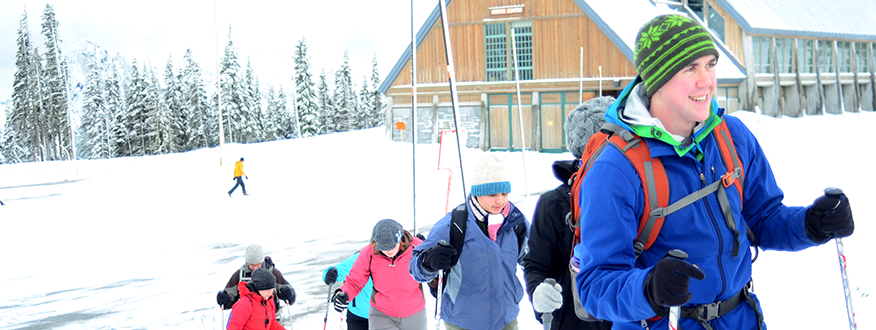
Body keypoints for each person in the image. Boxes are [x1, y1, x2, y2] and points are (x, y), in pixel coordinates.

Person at [572, 14, 855, 330]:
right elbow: (595, 286)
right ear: (658, 81)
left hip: (741, 319)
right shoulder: (617, 168)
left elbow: (762, 218)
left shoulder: (730, 136)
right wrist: (648, 287)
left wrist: (811, 224)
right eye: (690, 68)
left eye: (710, 64)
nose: (706, 80)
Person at [522, 96, 615, 330]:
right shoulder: (554, 204)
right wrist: (539, 292)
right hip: (573, 322)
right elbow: (536, 265)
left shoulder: (637, 195)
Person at [410, 153, 530, 330]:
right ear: (478, 193)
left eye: (504, 193)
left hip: (507, 319)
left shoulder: (516, 222)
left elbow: (534, 260)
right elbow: (415, 267)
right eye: (492, 194)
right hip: (463, 322)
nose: (500, 200)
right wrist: (429, 261)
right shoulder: (454, 225)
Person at [330, 219, 427, 330]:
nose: (389, 251)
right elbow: (355, 281)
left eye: (392, 246)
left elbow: (434, 268)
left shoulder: (416, 247)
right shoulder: (369, 254)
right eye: (384, 248)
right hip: (382, 314)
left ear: (400, 239)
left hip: (414, 312)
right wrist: (344, 294)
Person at [217, 244, 296, 311]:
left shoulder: (273, 273)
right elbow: (228, 302)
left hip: (271, 316)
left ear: (262, 261)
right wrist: (223, 299)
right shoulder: (240, 275)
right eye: (252, 265)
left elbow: (291, 299)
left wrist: (289, 294)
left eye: (258, 264)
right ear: (247, 262)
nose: (255, 268)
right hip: (248, 318)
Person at [323, 252, 373, 330]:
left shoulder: (396, 260)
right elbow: (339, 270)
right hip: (358, 316)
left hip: (387, 315)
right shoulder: (360, 258)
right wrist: (330, 274)